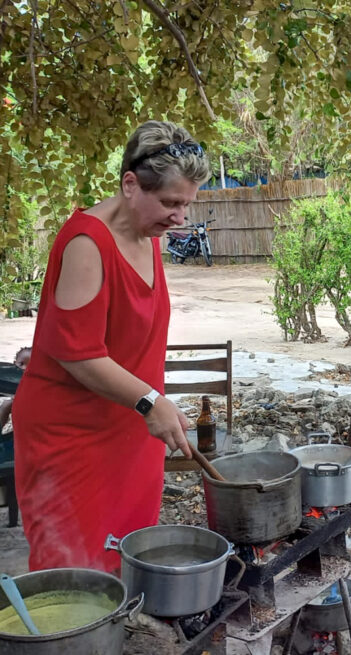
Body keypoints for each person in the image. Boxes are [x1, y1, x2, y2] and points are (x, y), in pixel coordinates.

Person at [12, 121, 211, 572]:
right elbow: (76, 353)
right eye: (170, 202)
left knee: (128, 562)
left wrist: (151, 406)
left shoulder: (148, 235)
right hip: (72, 436)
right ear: (129, 184)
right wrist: (150, 401)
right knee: (74, 575)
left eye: (186, 204)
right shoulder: (88, 242)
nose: (180, 217)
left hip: (132, 432)